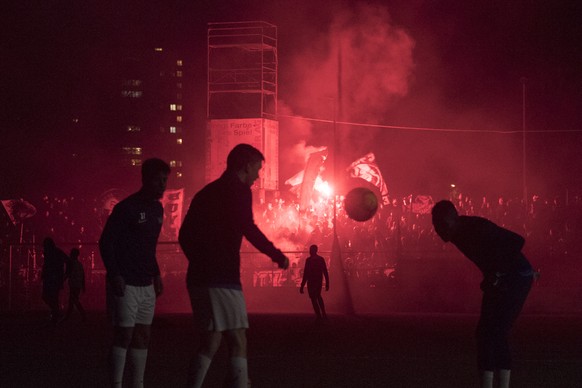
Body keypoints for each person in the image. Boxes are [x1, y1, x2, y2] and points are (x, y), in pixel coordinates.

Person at [179, 143, 290, 388]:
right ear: (246, 166)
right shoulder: (238, 191)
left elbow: (184, 235)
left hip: (198, 277)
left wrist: (199, 261)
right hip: (222, 278)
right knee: (238, 337)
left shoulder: (206, 193)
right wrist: (276, 255)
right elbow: (248, 228)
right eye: (257, 170)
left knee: (211, 340)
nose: (258, 176)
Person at [431, 200, 534, 388]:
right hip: (504, 278)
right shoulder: (458, 232)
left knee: (496, 332)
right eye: (436, 226)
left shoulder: (473, 229)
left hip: (517, 278)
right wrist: (493, 274)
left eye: (442, 224)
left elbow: (517, 241)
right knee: (486, 334)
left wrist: (498, 272)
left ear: (454, 218)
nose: (439, 231)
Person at [99, 158, 170, 388]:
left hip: (146, 284)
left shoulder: (158, 209)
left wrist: (156, 273)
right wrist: (115, 274)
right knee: (124, 335)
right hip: (126, 283)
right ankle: (117, 384)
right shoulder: (126, 208)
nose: (162, 185)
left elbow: (148, 247)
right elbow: (106, 242)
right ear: (146, 179)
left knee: (142, 336)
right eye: (158, 180)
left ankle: (137, 384)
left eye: (164, 180)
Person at [300, 244, 329, 320]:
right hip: (318, 281)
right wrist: (327, 283)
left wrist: (302, 285)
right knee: (318, 296)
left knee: (313, 298)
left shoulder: (308, 260)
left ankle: (319, 315)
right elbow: (325, 272)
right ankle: (323, 314)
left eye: (310, 250)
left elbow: (306, 273)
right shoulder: (320, 259)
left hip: (311, 282)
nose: (310, 251)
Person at [41, 237, 67, 323]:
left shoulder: (53, 253)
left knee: (48, 297)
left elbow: (47, 266)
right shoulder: (56, 252)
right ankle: (55, 314)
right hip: (54, 278)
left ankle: (55, 314)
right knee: (52, 297)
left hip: (52, 278)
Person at [63, 247, 86, 321]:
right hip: (78, 285)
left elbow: (67, 274)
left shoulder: (71, 263)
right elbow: (83, 276)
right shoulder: (79, 264)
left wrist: (61, 281)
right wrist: (83, 286)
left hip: (73, 285)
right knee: (72, 300)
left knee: (74, 300)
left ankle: (83, 314)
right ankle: (68, 316)